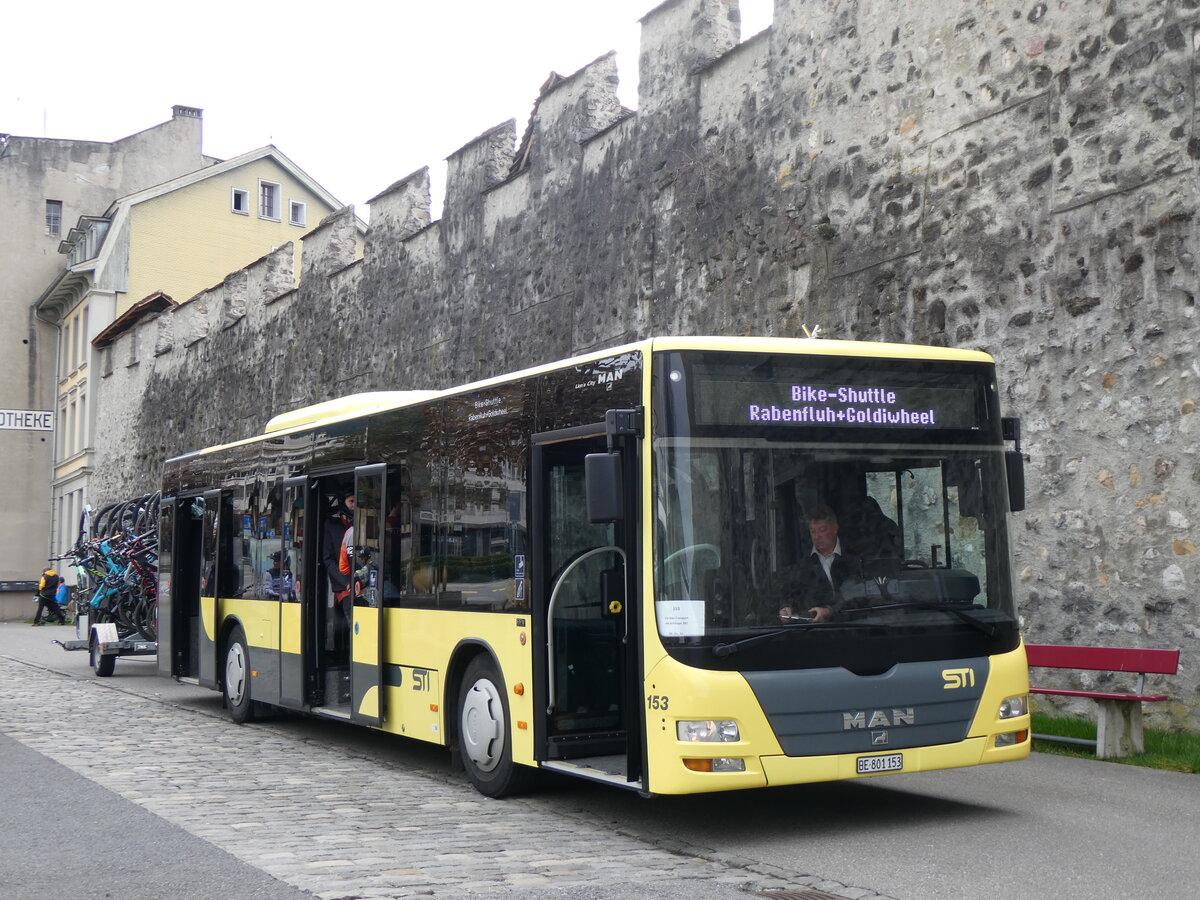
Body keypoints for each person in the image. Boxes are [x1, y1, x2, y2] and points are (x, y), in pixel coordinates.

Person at [777, 506, 861, 623]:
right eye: (813, 531)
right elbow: (791, 593)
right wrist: (786, 607)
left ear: (835, 528)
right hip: (816, 632)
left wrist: (830, 611)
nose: (817, 537)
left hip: (859, 628)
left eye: (822, 530)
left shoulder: (856, 557)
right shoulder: (802, 564)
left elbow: (861, 595)